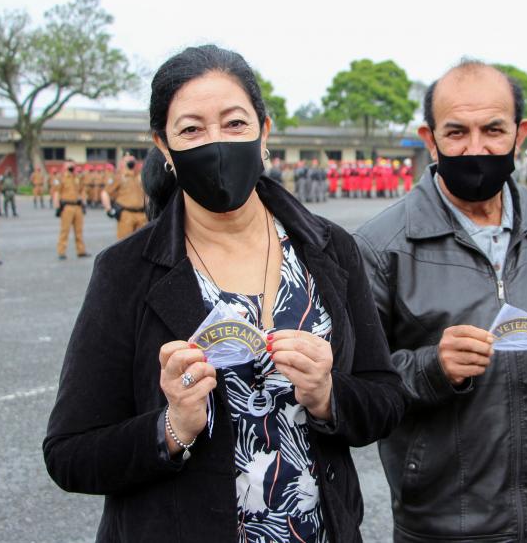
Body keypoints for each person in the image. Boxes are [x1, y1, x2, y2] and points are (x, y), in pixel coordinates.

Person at [43, 44, 407, 543]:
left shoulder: (329, 249)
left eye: (235, 124)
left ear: (264, 132)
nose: (216, 144)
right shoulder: (125, 272)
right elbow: (69, 453)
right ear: (164, 148)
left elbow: (385, 399)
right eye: (191, 130)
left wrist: (327, 394)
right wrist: (172, 428)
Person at [355, 60, 527, 543]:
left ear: (520, 134)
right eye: (456, 132)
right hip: (440, 526)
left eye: (493, 129)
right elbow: (355, 391)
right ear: (430, 139)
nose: (476, 148)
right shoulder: (380, 246)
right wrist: (434, 368)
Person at [102, 153, 148, 239]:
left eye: (133, 160)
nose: (131, 162)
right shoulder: (118, 177)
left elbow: (148, 194)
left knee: (143, 242)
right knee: (125, 242)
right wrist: (108, 209)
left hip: (142, 214)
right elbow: (105, 192)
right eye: (128, 161)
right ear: (123, 163)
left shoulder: (141, 176)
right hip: (126, 214)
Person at [51, 159, 89, 260]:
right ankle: (61, 252)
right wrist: (57, 207)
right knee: (65, 231)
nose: (71, 168)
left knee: (79, 231)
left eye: (73, 166)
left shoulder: (78, 178)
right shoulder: (61, 178)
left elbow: (82, 191)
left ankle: (81, 251)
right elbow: (56, 193)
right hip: (67, 207)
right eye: (69, 166)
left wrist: (84, 203)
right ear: (65, 167)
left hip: (77, 206)